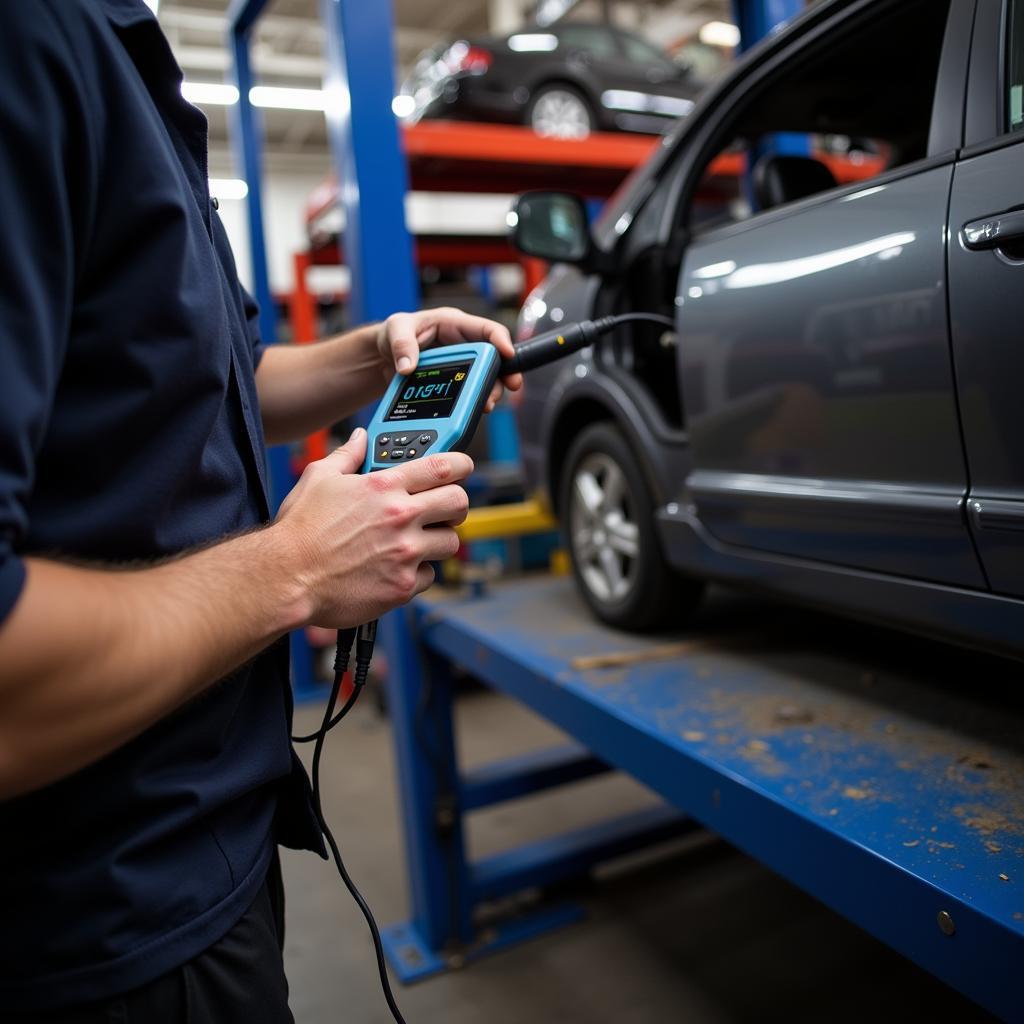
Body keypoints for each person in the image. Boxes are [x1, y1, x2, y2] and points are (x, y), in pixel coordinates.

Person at [0, 1, 523, 1020]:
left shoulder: (126, 59)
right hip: (98, 926)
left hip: (210, 841)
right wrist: (289, 569)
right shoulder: (29, 40)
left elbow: (216, 369)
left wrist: (372, 352)